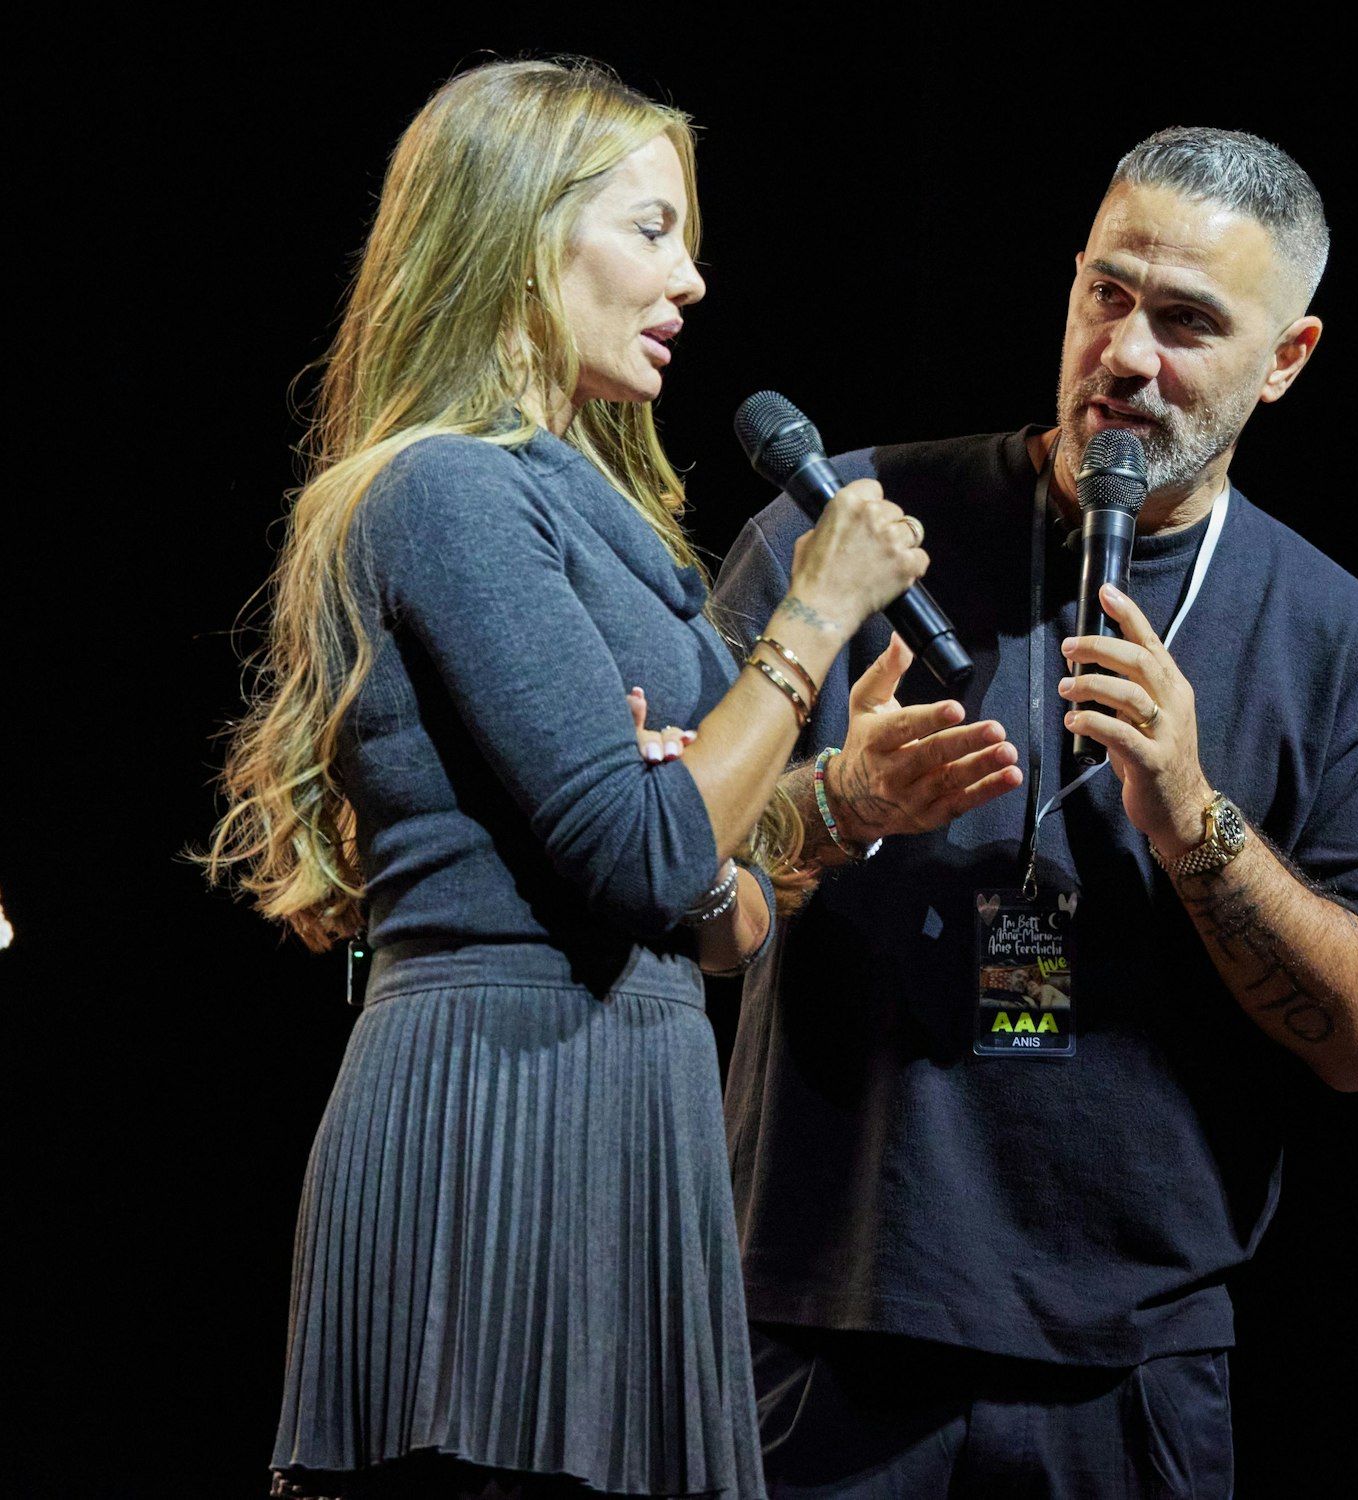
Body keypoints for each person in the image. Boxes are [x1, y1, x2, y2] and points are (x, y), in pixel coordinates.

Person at [205, 59, 943, 1500]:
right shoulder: (443, 490)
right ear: (526, 235)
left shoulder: (612, 524)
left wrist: (821, 800)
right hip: (502, 1101)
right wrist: (809, 611)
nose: (694, 279)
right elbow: (652, 857)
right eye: (654, 229)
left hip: (630, 1088)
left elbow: (717, 907)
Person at [711, 126, 1358, 1495]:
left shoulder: (1347, 644)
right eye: (1107, 294)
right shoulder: (850, 535)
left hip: (1131, 1378)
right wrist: (833, 807)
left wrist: (1196, 820)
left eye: (1186, 322)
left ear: (1287, 360)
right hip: (819, 1330)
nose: (1124, 356)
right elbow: (659, 889)